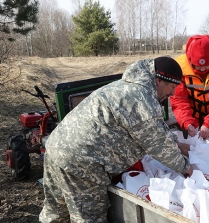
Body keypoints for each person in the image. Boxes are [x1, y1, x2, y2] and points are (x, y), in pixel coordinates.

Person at [39, 57, 193, 222]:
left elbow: (152, 129)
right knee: (89, 218)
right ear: (159, 81)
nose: (173, 93)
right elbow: (158, 145)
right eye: (172, 87)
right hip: (81, 163)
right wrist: (187, 168)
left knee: (56, 213)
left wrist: (176, 143)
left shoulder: (129, 86)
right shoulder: (141, 98)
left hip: (56, 148)